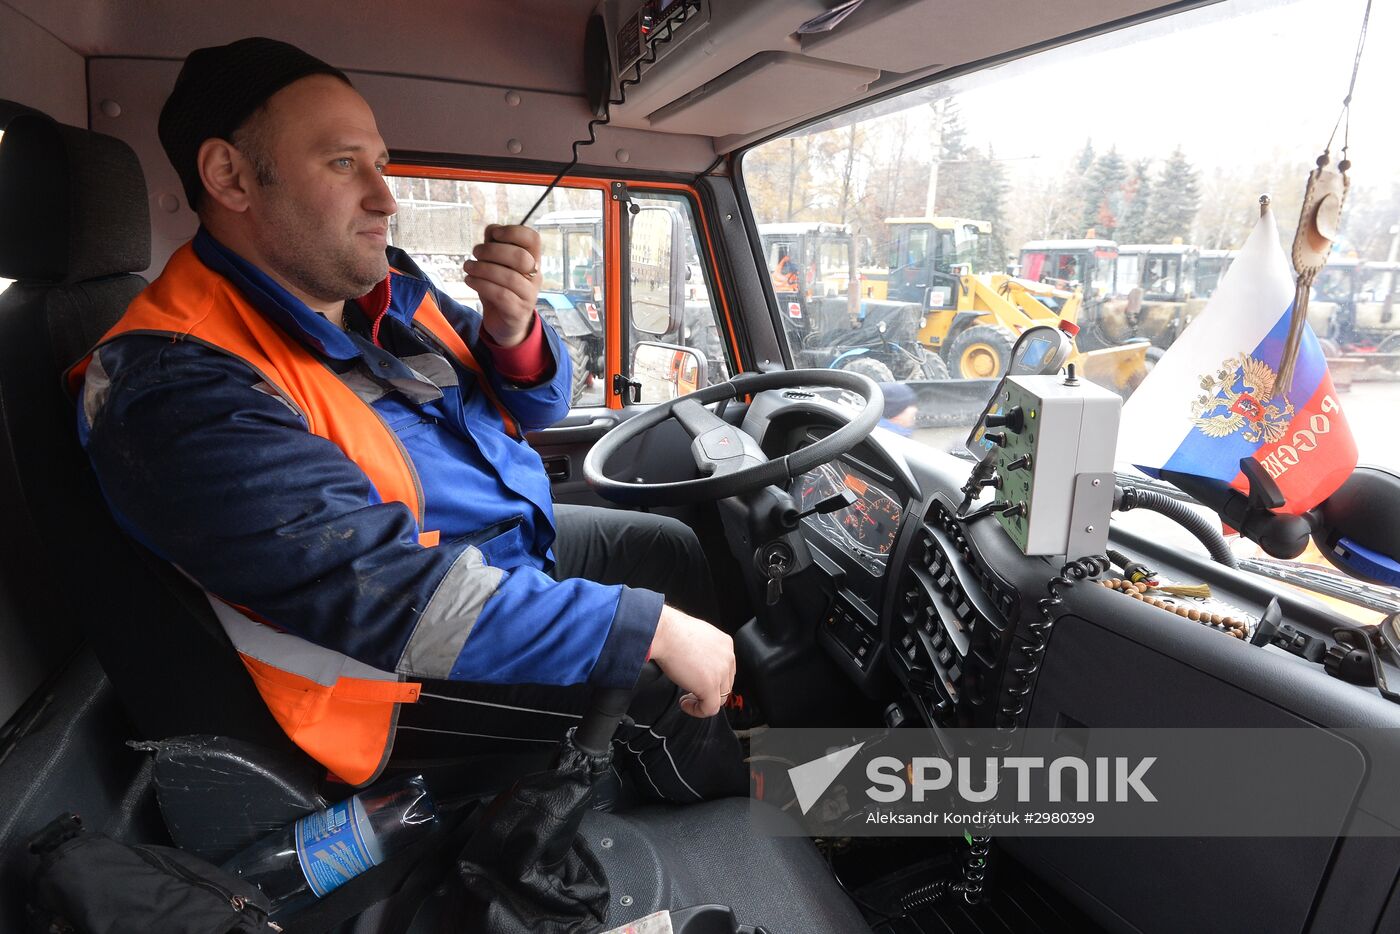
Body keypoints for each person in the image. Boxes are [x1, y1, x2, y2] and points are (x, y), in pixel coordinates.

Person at [70, 37, 745, 801]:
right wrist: (644, 632)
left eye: (380, 163)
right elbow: (386, 596)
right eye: (342, 163)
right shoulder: (176, 381)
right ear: (229, 176)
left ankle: (732, 720)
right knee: (652, 686)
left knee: (667, 549)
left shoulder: (381, 289)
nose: (385, 198)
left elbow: (534, 408)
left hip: (493, 554)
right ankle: (775, 813)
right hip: (382, 677)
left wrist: (515, 331)